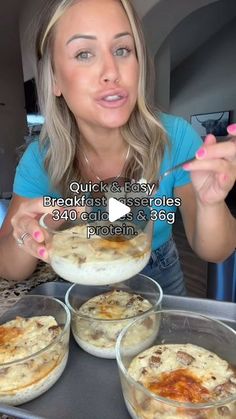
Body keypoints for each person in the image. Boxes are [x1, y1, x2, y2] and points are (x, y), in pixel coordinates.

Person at [0, 0, 235, 295]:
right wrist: (25, 238)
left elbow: (217, 251)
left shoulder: (177, 138)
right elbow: (8, 266)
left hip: (160, 278)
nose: (111, 71)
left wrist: (210, 203)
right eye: (84, 54)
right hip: (80, 276)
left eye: (122, 49)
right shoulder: (39, 161)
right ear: (55, 79)